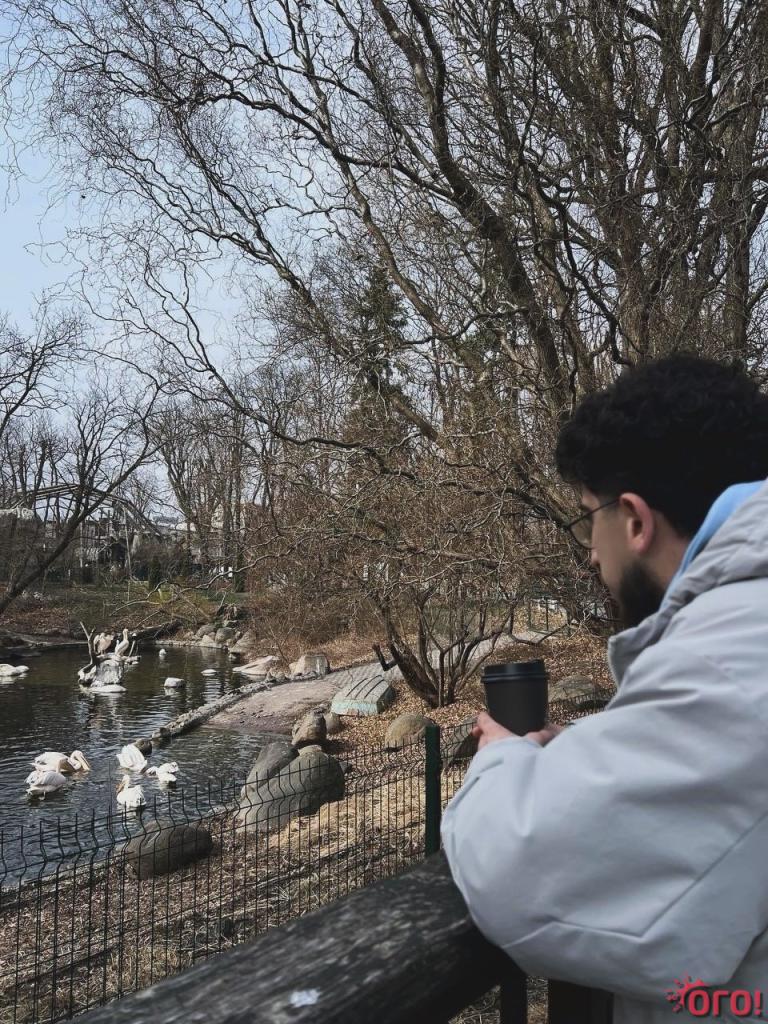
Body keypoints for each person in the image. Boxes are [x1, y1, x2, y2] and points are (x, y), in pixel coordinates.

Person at [441, 354, 768, 1023]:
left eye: (589, 517)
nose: (591, 553)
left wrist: (501, 757)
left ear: (636, 521)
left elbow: (517, 869)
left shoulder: (733, 654)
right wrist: (596, 748)